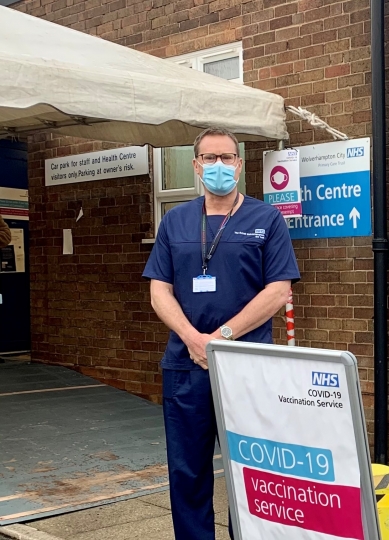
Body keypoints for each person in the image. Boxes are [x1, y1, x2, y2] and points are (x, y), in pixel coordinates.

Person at [143, 127, 300, 540]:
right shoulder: (175, 221)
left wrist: (223, 337)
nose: (219, 166)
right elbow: (159, 291)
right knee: (188, 469)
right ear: (196, 166)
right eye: (209, 159)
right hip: (186, 365)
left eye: (226, 158)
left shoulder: (266, 219)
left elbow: (279, 289)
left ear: (239, 164)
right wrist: (194, 339)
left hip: (247, 366)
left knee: (250, 469)